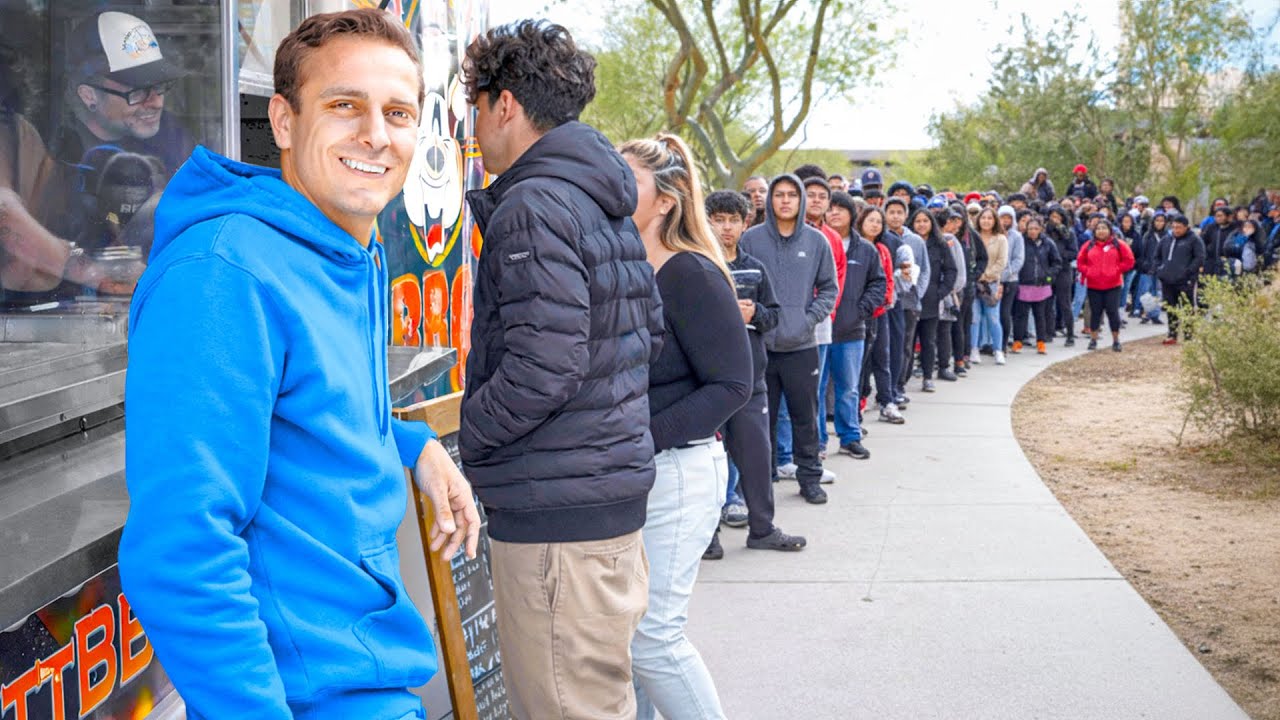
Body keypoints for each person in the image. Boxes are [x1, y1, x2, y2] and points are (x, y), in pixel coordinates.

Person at [118, 11, 482, 720]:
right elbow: (181, 552)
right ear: (283, 121)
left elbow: (318, 414)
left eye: (398, 112)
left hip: (372, 685)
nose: (376, 134)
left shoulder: (347, 246)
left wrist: (415, 447)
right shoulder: (224, 272)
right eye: (344, 105)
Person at [461, 21, 663, 718]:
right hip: (596, 510)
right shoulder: (595, 200)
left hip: (559, 527)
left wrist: (473, 436)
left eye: (475, 108)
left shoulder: (533, 203)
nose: (474, 127)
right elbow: (646, 336)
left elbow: (545, 364)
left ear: (505, 105)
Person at [620, 135, 752, 720]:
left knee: (655, 641)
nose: (614, 190)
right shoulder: (623, 267)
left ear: (668, 199)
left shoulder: (692, 273)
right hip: (630, 475)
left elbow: (731, 385)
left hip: (678, 473)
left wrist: (640, 438)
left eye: (629, 182)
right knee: (629, 641)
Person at [703, 189, 806, 557]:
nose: (726, 227)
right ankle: (707, 535)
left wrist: (754, 315)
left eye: (733, 220)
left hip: (751, 379)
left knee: (757, 458)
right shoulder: (697, 264)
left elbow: (773, 315)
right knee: (709, 464)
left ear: (746, 222)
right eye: (718, 219)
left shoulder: (756, 267)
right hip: (707, 381)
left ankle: (762, 528)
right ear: (706, 221)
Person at [741, 173, 839, 504]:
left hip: (801, 346)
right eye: (779, 195)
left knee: (804, 416)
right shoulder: (751, 240)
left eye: (791, 195)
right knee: (762, 420)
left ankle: (809, 476)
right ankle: (762, 480)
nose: (785, 200)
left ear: (800, 201)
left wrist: (808, 319)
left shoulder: (816, 241)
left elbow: (829, 288)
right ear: (770, 201)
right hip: (761, 345)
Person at [52, 11, 195, 179]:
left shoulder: (173, 137)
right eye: (138, 92)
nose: (156, 103)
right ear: (89, 96)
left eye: (159, 86)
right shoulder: (59, 152)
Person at [823, 191, 886, 459]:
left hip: (852, 330)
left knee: (848, 388)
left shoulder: (866, 249)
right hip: (819, 330)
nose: (834, 213)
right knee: (816, 391)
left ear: (852, 214)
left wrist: (862, 310)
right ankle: (816, 442)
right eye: (830, 208)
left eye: (840, 208)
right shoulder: (818, 242)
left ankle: (850, 437)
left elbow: (878, 283)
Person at [885, 196, 928, 406]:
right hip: (887, 301)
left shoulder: (916, 241)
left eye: (899, 212)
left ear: (905, 215)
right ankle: (887, 388)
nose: (895, 216)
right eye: (891, 212)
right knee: (887, 346)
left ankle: (900, 385)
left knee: (905, 346)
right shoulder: (880, 237)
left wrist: (917, 291)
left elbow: (924, 269)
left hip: (909, 300)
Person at [910, 208, 957, 392]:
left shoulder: (940, 244)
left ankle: (928, 377)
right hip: (909, 298)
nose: (921, 225)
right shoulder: (907, 242)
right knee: (908, 341)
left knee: (928, 341)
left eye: (925, 221)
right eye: (918, 221)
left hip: (931, 298)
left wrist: (941, 291)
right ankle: (902, 379)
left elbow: (951, 270)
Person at [1076, 219, 1135, 352]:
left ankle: (1116, 340)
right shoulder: (1088, 245)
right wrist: (1088, 271)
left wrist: (1116, 270)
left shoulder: (1119, 244)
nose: (1101, 231)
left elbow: (1129, 261)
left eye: (1104, 228)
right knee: (1095, 313)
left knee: (1113, 313)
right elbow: (1080, 262)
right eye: (1098, 229)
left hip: (1113, 285)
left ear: (1110, 230)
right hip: (1094, 285)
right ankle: (1093, 339)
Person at [1012, 217, 1062, 354]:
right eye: (1030, 229)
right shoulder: (1021, 241)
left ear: (1041, 229)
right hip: (1024, 284)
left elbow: (1057, 262)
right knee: (1020, 315)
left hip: (1041, 284)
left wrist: (1048, 276)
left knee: (1040, 315)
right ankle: (1018, 341)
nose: (1033, 231)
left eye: (1035, 228)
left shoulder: (1048, 243)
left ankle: (1041, 342)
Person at [1157, 215, 1206, 346]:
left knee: (1187, 307)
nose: (1176, 230)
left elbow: (1199, 258)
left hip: (1186, 280)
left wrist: (1188, 272)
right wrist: (1159, 270)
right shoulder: (1166, 239)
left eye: (1179, 227)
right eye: (1173, 227)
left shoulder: (1194, 240)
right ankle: (1172, 333)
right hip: (1167, 279)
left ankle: (1189, 334)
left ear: (1186, 227)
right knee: (1170, 307)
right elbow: (1157, 256)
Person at [970, 207, 1008, 365]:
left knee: (993, 317)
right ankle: (974, 349)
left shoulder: (1000, 239)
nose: (986, 221)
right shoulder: (973, 236)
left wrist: (984, 275)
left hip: (991, 284)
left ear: (995, 221)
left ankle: (998, 350)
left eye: (989, 218)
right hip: (973, 283)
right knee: (975, 318)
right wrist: (976, 275)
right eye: (983, 218)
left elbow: (1001, 263)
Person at [996, 205, 1025, 353]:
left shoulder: (1017, 236)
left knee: (1004, 313)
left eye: (1008, 218)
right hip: (992, 279)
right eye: (1003, 217)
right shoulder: (993, 234)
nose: (1005, 221)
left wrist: (1005, 275)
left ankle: (1003, 343)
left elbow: (1018, 259)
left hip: (1010, 280)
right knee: (992, 314)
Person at [1134, 210, 1169, 324]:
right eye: (1157, 221)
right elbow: (1142, 252)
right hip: (1147, 268)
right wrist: (1144, 265)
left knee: (1158, 292)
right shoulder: (1147, 235)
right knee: (1146, 291)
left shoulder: (1167, 236)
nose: (1159, 223)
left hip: (1161, 268)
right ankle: (1145, 313)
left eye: (1162, 221)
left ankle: (1155, 314)